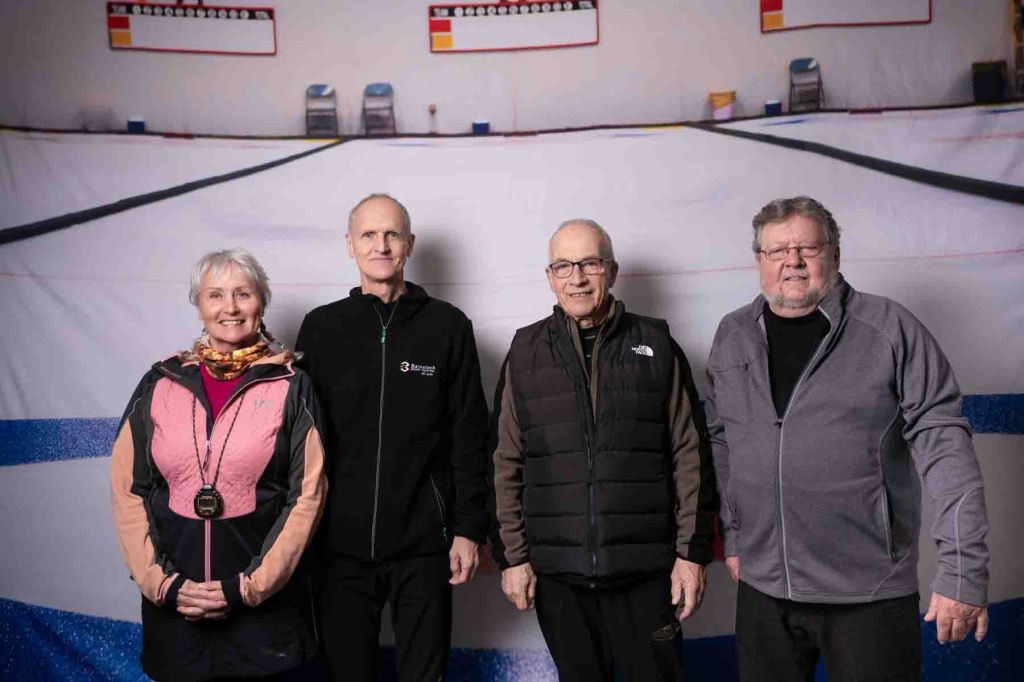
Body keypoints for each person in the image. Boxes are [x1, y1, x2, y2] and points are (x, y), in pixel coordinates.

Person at [707, 196, 990, 682]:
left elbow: (945, 446)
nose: (793, 262)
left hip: (868, 594)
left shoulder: (889, 329)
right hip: (763, 590)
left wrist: (963, 570)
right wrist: (733, 536)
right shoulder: (732, 335)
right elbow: (722, 442)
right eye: (777, 251)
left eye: (808, 248)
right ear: (759, 260)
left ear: (834, 254)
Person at [490, 219, 717, 681]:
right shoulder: (525, 351)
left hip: (646, 575)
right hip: (560, 578)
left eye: (589, 264)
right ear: (550, 277)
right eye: (563, 266)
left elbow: (690, 455)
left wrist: (691, 554)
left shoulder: (657, 344)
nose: (577, 278)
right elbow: (503, 461)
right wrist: (513, 558)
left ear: (611, 271)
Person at [296, 193, 489, 681]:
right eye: (368, 234)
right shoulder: (320, 328)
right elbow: (300, 439)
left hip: (424, 546)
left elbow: (469, 436)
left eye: (392, 234)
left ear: (410, 243)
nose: (380, 245)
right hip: (337, 547)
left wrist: (469, 529)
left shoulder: (448, 326)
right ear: (350, 244)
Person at [110, 248, 327, 680]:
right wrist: (163, 585)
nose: (230, 307)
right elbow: (128, 490)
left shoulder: (293, 386)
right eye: (215, 295)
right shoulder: (159, 382)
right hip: (177, 610)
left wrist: (248, 587)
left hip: (264, 615)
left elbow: (308, 496)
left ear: (261, 302)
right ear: (199, 306)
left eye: (243, 294)